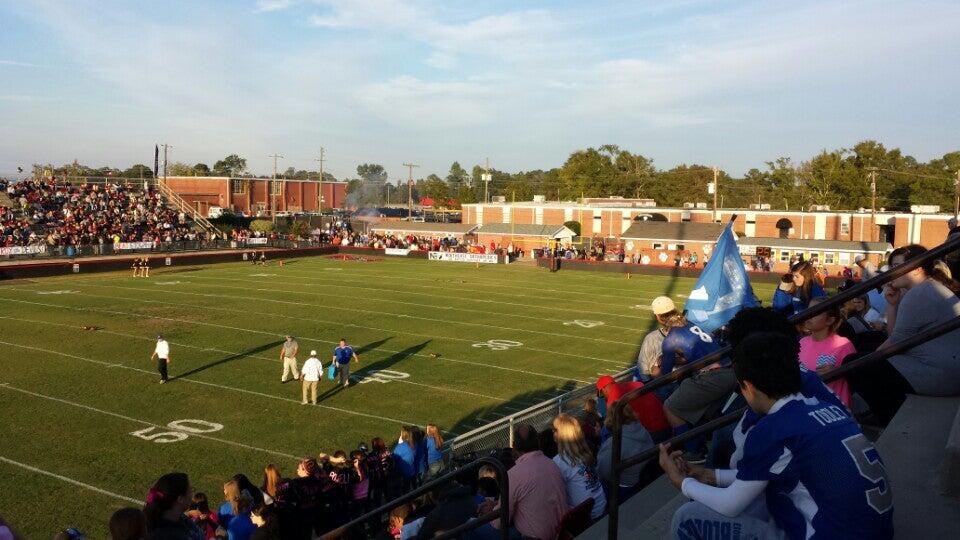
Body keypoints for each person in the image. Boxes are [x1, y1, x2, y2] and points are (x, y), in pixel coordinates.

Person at [659, 332, 893, 539]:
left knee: (687, 516)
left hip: (833, 530)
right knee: (763, 494)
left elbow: (730, 503)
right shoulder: (821, 407)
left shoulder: (775, 426)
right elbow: (766, 474)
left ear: (748, 387)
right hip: (871, 528)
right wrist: (711, 475)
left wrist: (682, 482)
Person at [848, 244, 960, 425]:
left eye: (897, 267)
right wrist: (892, 304)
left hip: (942, 375)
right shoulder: (925, 288)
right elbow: (895, 336)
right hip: (946, 368)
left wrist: (859, 363)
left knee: (856, 363)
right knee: (862, 349)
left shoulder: (920, 294)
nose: (891, 272)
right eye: (891, 267)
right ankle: (881, 411)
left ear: (917, 269)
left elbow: (894, 344)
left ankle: (889, 418)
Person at [479, 425, 567, 540]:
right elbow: (534, 497)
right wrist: (497, 505)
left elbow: (499, 522)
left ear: (514, 446)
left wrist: (490, 513)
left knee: (471, 528)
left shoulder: (513, 475)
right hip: (559, 531)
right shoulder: (551, 464)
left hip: (533, 537)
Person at [799, 297, 857, 407]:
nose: (808, 314)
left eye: (816, 312)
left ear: (830, 320)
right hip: (806, 409)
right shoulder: (802, 342)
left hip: (834, 411)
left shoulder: (843, 345)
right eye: (808, 309)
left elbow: (856, 381)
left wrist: (837, 372)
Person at [552, 414, 607, 519]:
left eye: (555, 430)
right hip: (601, 505)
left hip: (586, 516)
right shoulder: (585, 451)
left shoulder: (559, 461)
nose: (553, 432)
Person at [597, 403, 655, 495]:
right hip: (649, 476)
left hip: (628, 487)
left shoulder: (613, 444)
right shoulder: (641, 428)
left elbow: (603, 472)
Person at [595, 375, 670, 441]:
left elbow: (611, 425)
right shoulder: (637, 384)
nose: (603, 396)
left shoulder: (613, 398)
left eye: (602, 394)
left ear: (604, 389)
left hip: (649, 433)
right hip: (666, 422)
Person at [143, 472, 205, 540]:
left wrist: (188, 514)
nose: (192, 495)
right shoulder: (172, 535)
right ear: (180, 499)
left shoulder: (176, 517)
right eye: (190, 490)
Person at [636, 296, 676, 378]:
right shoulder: (689, 331)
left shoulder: (651, 338)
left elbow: (643, 367)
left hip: (662, 385)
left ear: (657, 317)